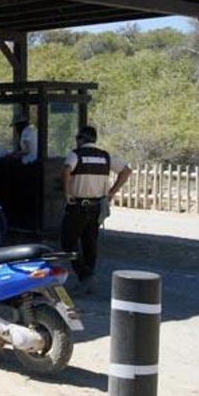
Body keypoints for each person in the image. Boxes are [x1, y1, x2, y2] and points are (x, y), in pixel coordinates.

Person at [61, 125, 131, 294]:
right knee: (90, 242)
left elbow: (66, 170)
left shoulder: (76, 154)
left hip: (78, 205)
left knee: (68, 240)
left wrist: (67, 192)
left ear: (81, 139)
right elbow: (127, 171)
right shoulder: (105, 156)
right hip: (97, 206)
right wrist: (112, 192)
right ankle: (88, 276)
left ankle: (84, 275)